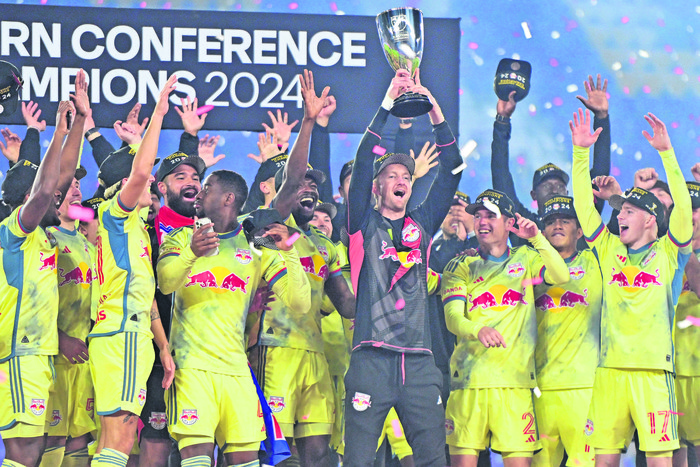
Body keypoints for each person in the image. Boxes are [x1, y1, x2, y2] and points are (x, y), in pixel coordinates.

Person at [344, 68, 462, 467]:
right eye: (391, 175)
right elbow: (363, 160)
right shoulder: (362, 220)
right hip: (370, 361)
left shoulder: (423, 223)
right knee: (359, 461)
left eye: (406, 176)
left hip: (419, 362)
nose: (400, 180)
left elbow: (455, 168)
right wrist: (386, 105)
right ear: (378, 187)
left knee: (433, 460)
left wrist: (434, 110)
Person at [158, 171, 311, 467]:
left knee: (245, 461)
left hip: (238, 373)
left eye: (207, 188)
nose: (199, 194)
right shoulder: (181, 237)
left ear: (228, 198)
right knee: (196, 459)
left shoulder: (255, 246)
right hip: (191, 369)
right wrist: (191, 253)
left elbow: (300, 303)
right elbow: (165, 284)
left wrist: (289, 253)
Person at [570, 109, 691, 467]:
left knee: (659, 463)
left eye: (629, 212)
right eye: (620, 211)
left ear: (651, 219)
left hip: (653, 374)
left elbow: (682, 206)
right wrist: (580, 153)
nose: (619, 216)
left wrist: (667, 153)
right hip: (608, 371)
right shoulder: (608, 250)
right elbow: (582, 205)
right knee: (603, 463)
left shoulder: (670, 253)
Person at [255, 70, 355, 467]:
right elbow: (293, 176)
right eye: (301, 185)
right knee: (278, 456)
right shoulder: (265, 226)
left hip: (316, 357)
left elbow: (346, 304)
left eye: (315, 185)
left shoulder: (325, 247)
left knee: (317, 454)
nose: (309, 188)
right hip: (274, 352)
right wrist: (310, 122)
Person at [441, 189, 570, 467]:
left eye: (491, 215)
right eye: (478, 216)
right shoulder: (461, 264)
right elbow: (452, 318)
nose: (482, 222)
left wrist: (536, 237)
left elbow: (561, 275)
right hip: (469, 385)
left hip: (516, 386)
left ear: (510, 223)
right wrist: (478, 330)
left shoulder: (527, 258)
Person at [88, 75, 177, 467]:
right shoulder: (117, 217)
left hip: (132, 333)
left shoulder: (136, 228)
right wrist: (158, 114)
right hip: (122, 335)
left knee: (114, 436)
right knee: (121, 438)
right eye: (146, 176)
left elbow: (148, 299)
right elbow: (141, 174)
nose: (152, 181)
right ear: (126, 183)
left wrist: (163, 347)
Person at [0, 73, 84, 467]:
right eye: (52, 196)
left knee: (36, 452)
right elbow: (47, 186)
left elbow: (61, 177)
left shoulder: (43, 236)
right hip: (20, 351)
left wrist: (78, 123)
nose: (62, 197)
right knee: (25, 453)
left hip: (39, 352)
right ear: (28, 200)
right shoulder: (15, 230)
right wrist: (53, 136)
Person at [530, 195, 602, 467]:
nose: (557, 226)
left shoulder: (596, 262)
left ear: (580, 230)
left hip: (584, 388)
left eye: (565, 220)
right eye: (550, 222)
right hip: (540, 390)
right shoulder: (529, 268)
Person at [491, 75, 611, 229]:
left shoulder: (583, 224)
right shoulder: (525, 227)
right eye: (547, 186)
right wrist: (502, 121)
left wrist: (601, 118)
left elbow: (600, 175)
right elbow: (501, 176)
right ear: (533, 195)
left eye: (560, 186)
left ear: (567, 193)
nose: (555, 190)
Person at [670, 180, 700, 467]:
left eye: (695, 209)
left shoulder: (682, 254)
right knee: (673, 452)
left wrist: (686, 250)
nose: (690, 215)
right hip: (667, 372)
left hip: (699, 373)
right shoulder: (662, 254)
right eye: (683, 209)